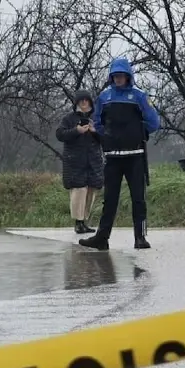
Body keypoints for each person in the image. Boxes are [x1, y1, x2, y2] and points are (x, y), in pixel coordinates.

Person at [79, 57, 160, 251]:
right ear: (111, 77)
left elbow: (154, 121)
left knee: (138, 198)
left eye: (121, 76)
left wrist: (138, 133)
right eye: (115, 76)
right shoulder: (105, 97)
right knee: (110, 199)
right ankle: (102, 237)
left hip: (135, 155)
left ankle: (140, 237)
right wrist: (105, 137)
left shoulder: (139, 96)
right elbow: (97, 122)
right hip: (113, 156)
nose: (118, 79)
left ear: (128, 76)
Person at [55, 90, 104, 234]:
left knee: (91, 191)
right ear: (77, 102)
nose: (84, 103)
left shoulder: (96, 118)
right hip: (75, 161)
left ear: (90, 102)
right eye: (81, 100)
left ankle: (84, 220)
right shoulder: (68, 119)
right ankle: (78, 221)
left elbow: (105, 137)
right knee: (78, 191)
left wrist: (95, 131)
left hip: (93, 161)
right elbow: (60, 134)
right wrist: (76, 131)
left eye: (86, 100)